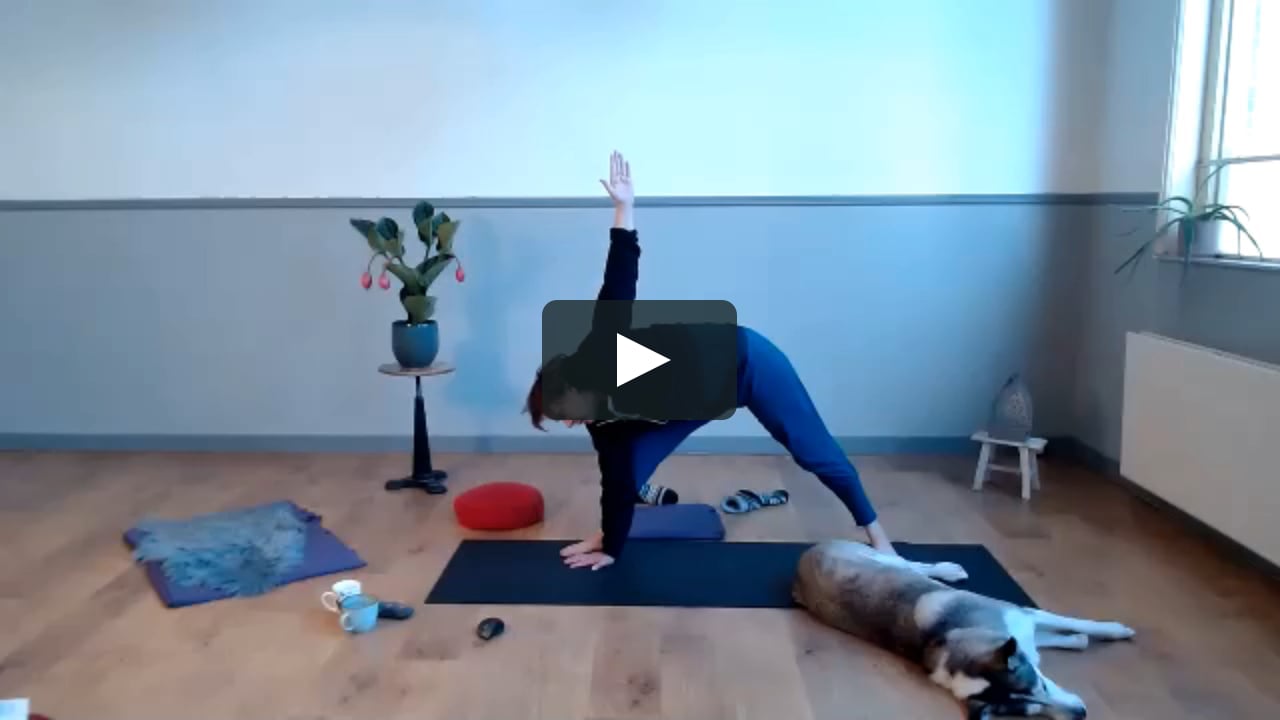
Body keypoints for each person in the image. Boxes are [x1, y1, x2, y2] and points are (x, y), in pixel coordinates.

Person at [524, 151, 896, 571]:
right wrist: (610, 545)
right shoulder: (600, 421)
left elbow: (620, 277)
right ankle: (611, 533)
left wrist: (624, 208)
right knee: (627, 470)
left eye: (566, 413)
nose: (570, 424)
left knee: (814, 453)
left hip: (746, 363)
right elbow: (614, 479)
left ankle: (880, 539)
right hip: (695, 399)